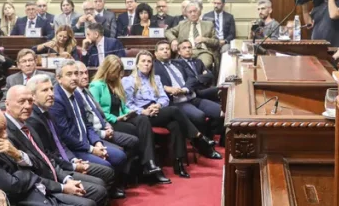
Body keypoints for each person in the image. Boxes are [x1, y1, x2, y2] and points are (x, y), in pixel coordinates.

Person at [2, 87, 112, 206]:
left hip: (54, 175)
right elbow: (28, 174)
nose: (27, 106)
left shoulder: (27, 126)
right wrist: (62, 187)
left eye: (30, 101)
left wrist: (66, 179)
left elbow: (46, 158)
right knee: (90, 202)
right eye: (21, 101)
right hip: (38, 189)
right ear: (7, 103)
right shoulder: (6, 134)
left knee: (98, 187)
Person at [124, 51, 216, 178]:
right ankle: (198, 136)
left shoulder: (156, 79)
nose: (146, 64)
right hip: (142, 115)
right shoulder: (128, 81)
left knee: (175, 124)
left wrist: (158, 105)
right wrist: (143, 111)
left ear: (152, 64)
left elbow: (164, 99)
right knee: (175, 110)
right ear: (137, 64)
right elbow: (127, 105)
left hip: (156, 110)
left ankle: (179, 163)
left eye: (149, 61)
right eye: (143, 61)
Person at [24, 75, 118, 194]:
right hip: (56, 168)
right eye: (44, 90)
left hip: (66, 159)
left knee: (106, 173)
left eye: (51, 89)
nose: (51, 93)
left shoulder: (48, 112)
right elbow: (48, 155)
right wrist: (72, 166)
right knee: (101, 182)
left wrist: (73, 160)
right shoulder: (34, 120)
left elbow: (60, 143)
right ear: (33, 96)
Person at [50, 62, 130, 193]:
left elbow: (87, 124)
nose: (74, 77)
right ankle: (107, 195)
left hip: (87, 142)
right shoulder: (57, 100)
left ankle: (113, 189)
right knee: (106, 166)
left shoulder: (76, 94)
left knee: (120, 155)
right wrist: (92, 150)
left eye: (76, 73)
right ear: (59, 78)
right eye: (69, 74)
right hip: (74, 148)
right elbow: (66, 136)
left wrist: (97, 142)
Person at [88, 56, 170, 184]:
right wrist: (116, 118)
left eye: (119, 71)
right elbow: (97, 111)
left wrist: (128, 113)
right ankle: (147, 167)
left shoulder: (117, 84)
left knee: (143, 120)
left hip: (122, 118)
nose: (117, 75)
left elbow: (124, 106)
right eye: (115, 71)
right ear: (107, 70)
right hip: (109, 122)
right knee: (134, 130)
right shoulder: (97, 85)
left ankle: (149, 163)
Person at [152, 42, 224, 141]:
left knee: (222, 112)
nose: (165, 51)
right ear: (156, 53)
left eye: (167, 49)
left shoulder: (179, 63)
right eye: (162, 49)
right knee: (199, 116)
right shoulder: (153, 67)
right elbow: (153, 83)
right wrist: (167, 88)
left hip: (192, 96)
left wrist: (185, 89)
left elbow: (192, 78)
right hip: (178, 102)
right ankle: (203, 144)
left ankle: (215, 140)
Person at [165, 1, 219, 70]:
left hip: (203, 52)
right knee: (182, 66)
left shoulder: (208, 24)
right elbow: (167, 32)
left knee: (204, 64)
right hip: (186, 51)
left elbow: (216, 42)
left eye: (195, 11)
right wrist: (173, 40)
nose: (193, 14)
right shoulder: (182, 24)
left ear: (199, 12)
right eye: (190, 12)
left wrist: (204, 39)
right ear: (186, 14)